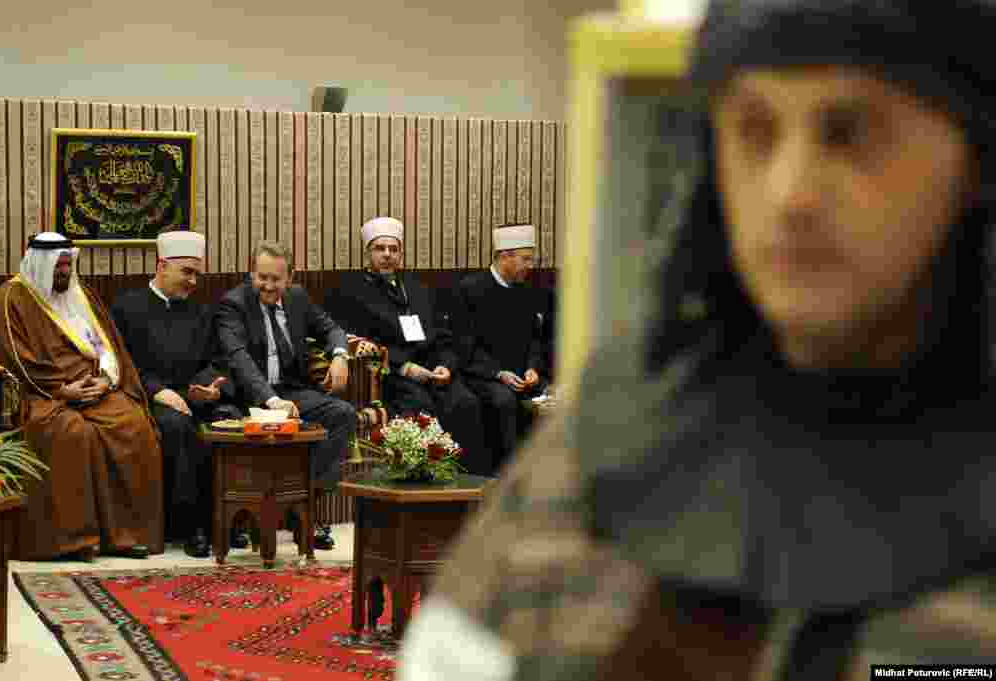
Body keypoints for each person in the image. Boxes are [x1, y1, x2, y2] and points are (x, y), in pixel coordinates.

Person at [399, 1, 996, 679]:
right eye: (754, 130)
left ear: (974, 159)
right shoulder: (598, 441)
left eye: (848, 132)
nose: (790, 193)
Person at [0, 232, 162, 561]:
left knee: (133, 427)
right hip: (38, 395)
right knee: (72, 433)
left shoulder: (81, 294)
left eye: (67, 265)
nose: (64, 273)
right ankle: (73, 541)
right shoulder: (9, 301)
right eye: (58, 267)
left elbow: (108, 346)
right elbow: (11, 360)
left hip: (95, 390)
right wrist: (62, 390)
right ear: (39, 263)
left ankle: (126, 535)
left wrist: (106, 380)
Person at [111, 230, 246, 559]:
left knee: (232, 419)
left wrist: (207, 388)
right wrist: (159, 392)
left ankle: (229, 519)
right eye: (187, 272)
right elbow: (121, 364)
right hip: (149, 400)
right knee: (176, 427)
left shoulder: (201, 312)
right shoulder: (126, 307)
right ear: (162, 266)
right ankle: (193, 526)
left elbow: (216, 361)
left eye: (198, 274)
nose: (193, 281)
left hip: (194, 398)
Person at [216, 239, 357, 551]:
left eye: (275, 279)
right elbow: (239, 359)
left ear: (289, 278)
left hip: (291, 391)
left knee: (343, 414)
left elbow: (331, 329)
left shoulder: (298, 298)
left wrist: (339, 356)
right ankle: (257, 516)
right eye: (261, 277)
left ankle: (304, 508)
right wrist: (272, 401)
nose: (267, 285)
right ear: (251, 273)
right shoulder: (233, 304)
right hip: (250, 397)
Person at [324, 217, 486, 472]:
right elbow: (358, 342)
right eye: (380, 249)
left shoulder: (417, 287)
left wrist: (446, 366)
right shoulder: (349, 291)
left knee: (465, 402)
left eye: (394, 249)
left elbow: (442, 335)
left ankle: (466, 485)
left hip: (431, 370)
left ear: (401, 253)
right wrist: (405, 367)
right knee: (420, 403)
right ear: (368, 253)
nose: (387, 255)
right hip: (389, 374)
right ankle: (420, 483)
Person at [454, 224, 547, 474]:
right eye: (525, 259)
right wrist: (498, 373)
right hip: (482, 375)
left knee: (554, 397)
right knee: (503, 399)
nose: (530, 266)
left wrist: (532, 368)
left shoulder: (528, 291)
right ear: (505, 257)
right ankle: (506, 476)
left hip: (523, 376)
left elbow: (536, 339)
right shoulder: (469, 289)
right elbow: (464, 344)